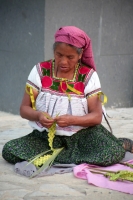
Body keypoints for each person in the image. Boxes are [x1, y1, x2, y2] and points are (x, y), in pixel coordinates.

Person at [2, 26, 133, 173]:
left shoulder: (88, 76)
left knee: (110, 154)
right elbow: (24, 109)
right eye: (59, 55)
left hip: (83, 137)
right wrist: (38, 115)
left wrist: (72, 120)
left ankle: (120, 144)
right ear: (54, 52)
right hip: (45, 138)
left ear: (80, 55)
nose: (63, 62)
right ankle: (71, 156)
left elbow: (96, 117)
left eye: (70, 57)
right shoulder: (40, 70)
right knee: (9, 150)